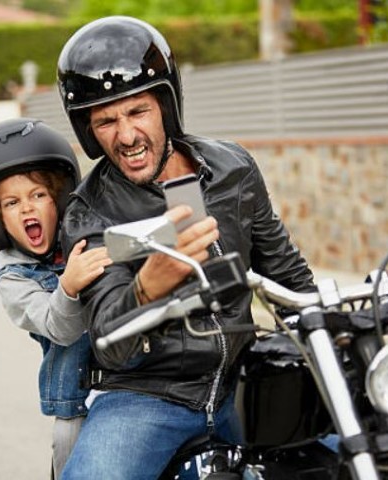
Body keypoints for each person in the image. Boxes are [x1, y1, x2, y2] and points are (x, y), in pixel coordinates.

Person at [55, 16, 315, 479]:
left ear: (166, 106)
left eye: (138, 112)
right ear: (88, 131)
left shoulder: (232, 167)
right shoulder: (89, 212)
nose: (127, 136)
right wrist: (145, 289)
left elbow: (286, 273)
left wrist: (331, 327)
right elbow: (109, 344)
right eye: (106, 121)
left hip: (242, 380)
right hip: (147, 397)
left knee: (384, 451)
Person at [0, 118, 112, 479]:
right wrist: (70, 286)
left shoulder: (87, 236)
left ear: (59, 198)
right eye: (12, 203)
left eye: (38, 195)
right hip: (75, 403)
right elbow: (58, 327)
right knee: (72, 462)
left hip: (132, 384)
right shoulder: (14, 279)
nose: (27, 209)